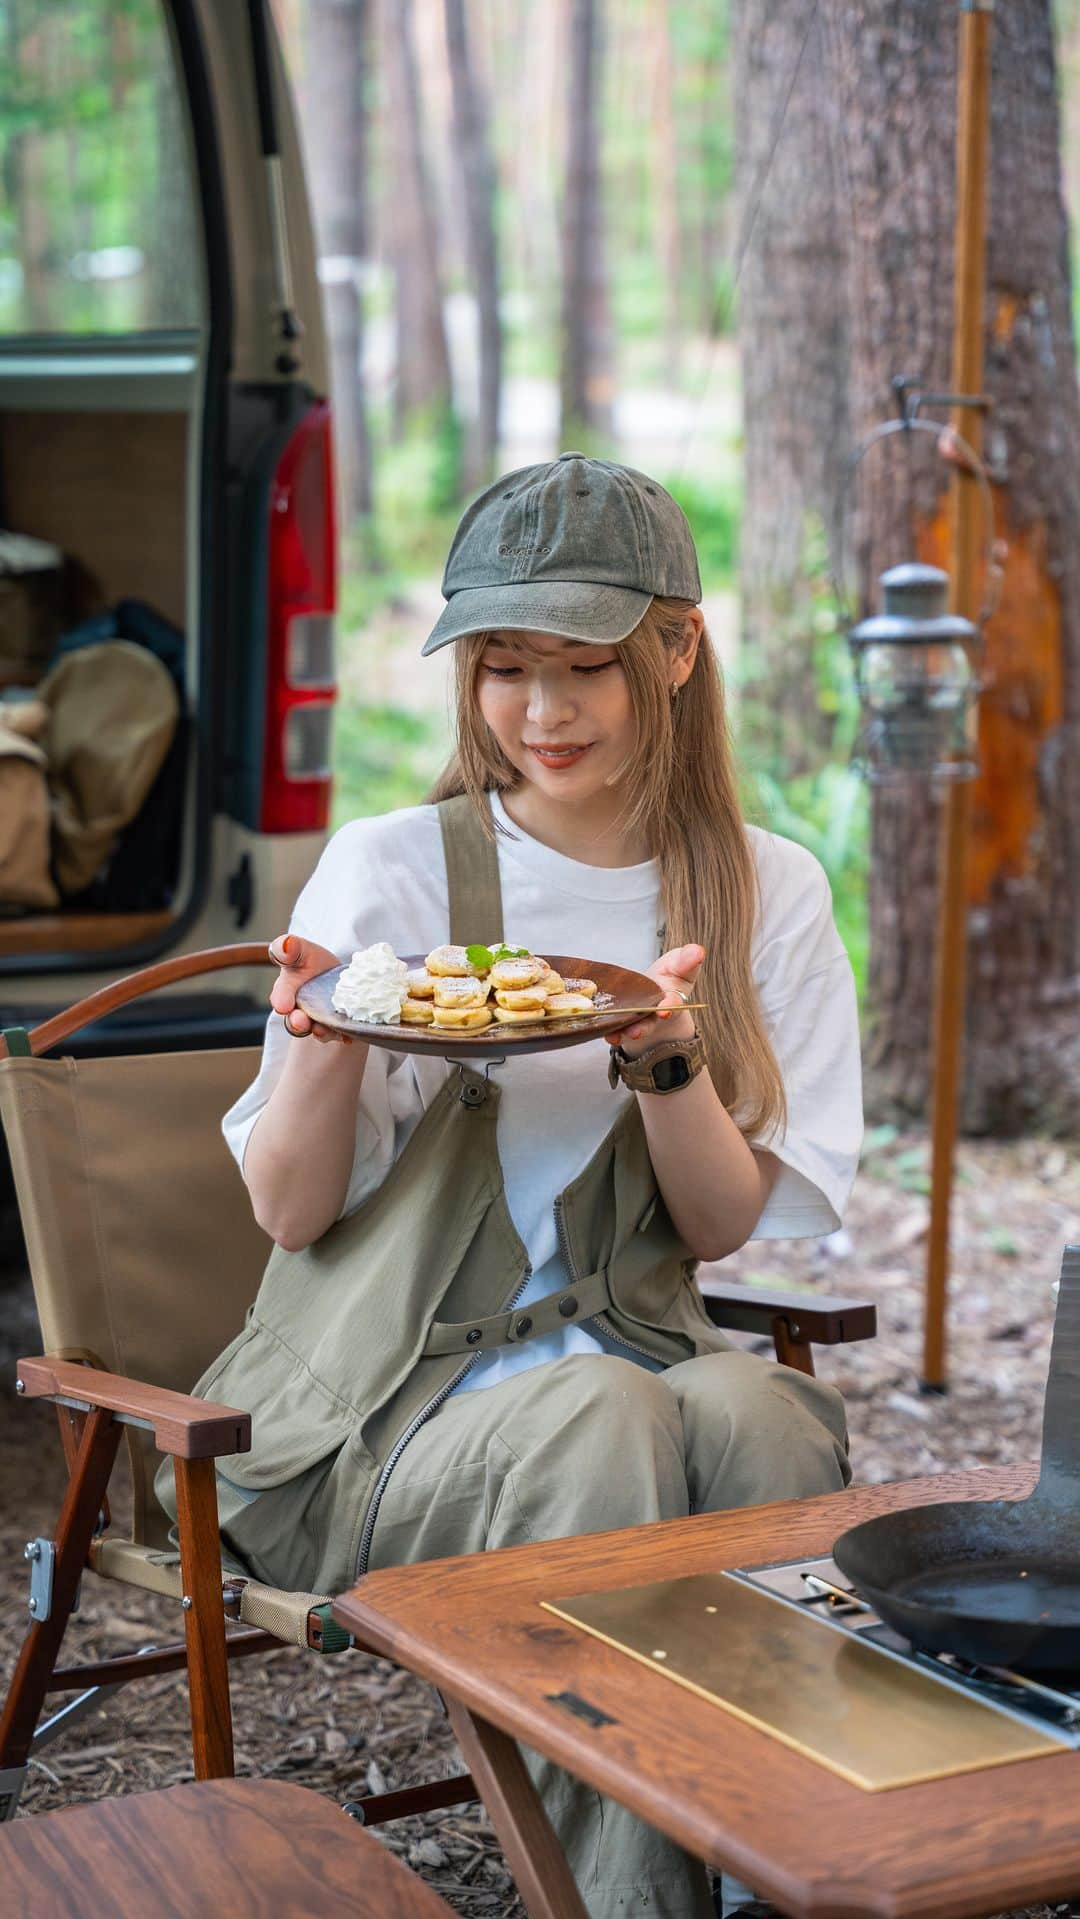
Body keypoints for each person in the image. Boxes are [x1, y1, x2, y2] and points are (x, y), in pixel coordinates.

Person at [158, 452, 862, 1919]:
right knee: (602, 1411)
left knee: (757, 1405)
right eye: (502, 665)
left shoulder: (761, 889)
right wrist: (325, 1040)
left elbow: (722, 1227)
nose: (541, 711)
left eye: (586, 664)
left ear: (675, 648)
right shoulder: (396, 870)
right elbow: (290, 1215)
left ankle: (784, 1870)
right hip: (370, 1418)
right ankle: (629, 1902)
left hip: (642, 1365)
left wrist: (667, 1058)